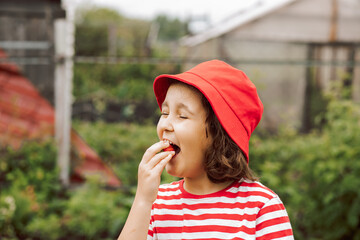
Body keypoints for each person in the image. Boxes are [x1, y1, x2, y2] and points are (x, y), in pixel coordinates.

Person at [118, 60, 294, 240]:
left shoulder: (260, 207)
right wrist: (142, 200)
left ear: (220, 136)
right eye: (164, 113)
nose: (166, 125)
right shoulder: (157, 204)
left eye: (182, 115)